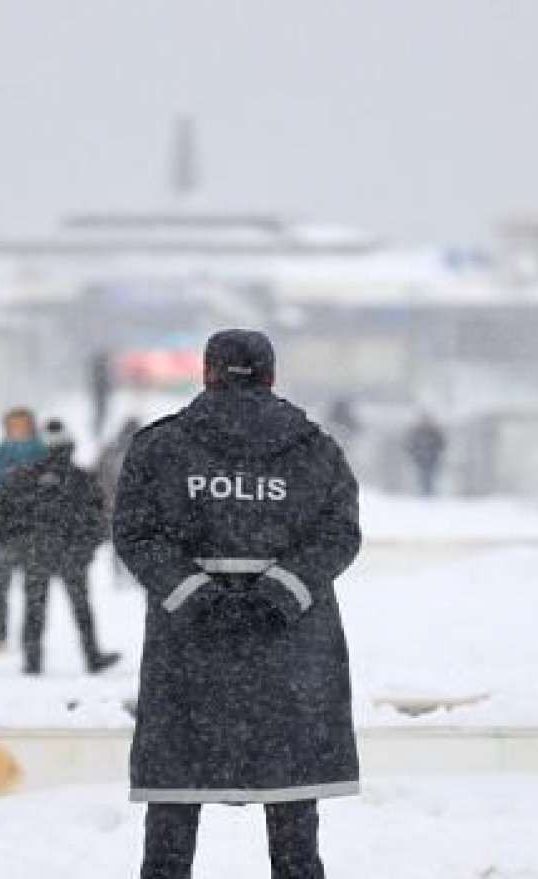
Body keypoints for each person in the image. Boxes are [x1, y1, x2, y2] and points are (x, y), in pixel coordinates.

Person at [114, 329, 361, 879]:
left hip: (188, 650)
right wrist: (279, 594)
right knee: (295, 814)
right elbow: (339, 535)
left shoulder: (160, 446)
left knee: (173, 809)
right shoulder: (315, 449)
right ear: (271, 375)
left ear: (207, 373)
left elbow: (136, 535)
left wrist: (198, 597)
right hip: (291, 649)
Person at [0, 419, 121, 676]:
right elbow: (99, 518)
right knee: (82, 607)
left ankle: (32, 659)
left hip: (35, 552)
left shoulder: (22, 478)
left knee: (34, 607)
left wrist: (17, 545)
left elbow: (3, 516)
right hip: (71, 552)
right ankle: (92, 654)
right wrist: (88, 547)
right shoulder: (82, 479)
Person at [0, 407, 47, 651]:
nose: (17, 430)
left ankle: (31, 639)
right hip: (3, 527)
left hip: (34, 526)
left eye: (22, 425)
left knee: (34, 585)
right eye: (13, 425)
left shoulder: (43, 454)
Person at [97, 417, 145, 587]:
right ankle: (134, 574)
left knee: (120, 543)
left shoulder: (110, 451)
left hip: (115, 506)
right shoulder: (146, 450)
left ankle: (120, 573)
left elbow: (101, 479)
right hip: (138, 507)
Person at [405, 413, 447, 497]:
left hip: (432, 459)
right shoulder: (416, 432)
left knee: (432, 477)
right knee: (421, 477)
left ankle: (430, 494)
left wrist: (436, 453)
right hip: (420, 459)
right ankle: (422, 494)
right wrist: (414, 454)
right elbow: (410, 445)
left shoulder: (434, 432)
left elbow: (441, 444)